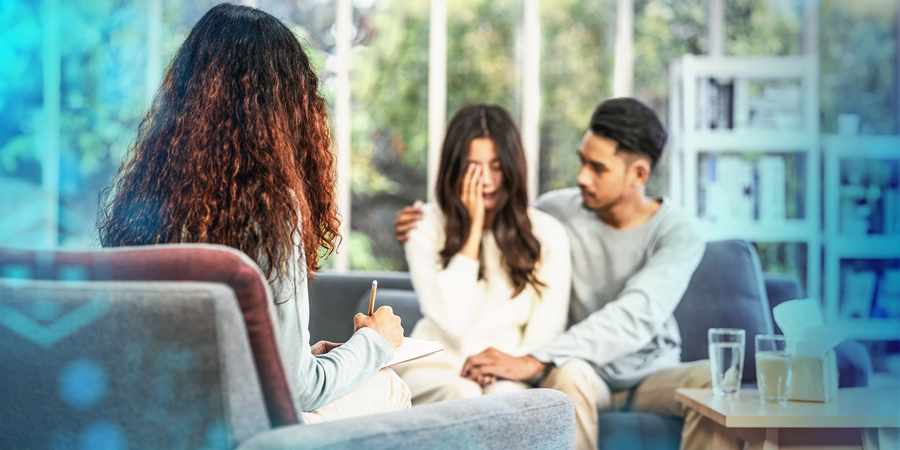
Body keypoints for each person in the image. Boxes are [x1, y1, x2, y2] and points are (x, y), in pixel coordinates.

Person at [98, 3, 409, 424]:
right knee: (390, 385)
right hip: (244, 427)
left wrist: (305, 355)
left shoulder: (142, 197)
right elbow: (303, 389)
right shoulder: (271, 209)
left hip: (157, 419)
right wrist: (375, 342)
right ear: (290, 107)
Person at [396, 98, 717, 450]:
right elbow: (507, 217)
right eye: (582, 161)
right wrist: (426, 219)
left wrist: (531, 360)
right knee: (571, 374)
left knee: (716, 381)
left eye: (598, 168)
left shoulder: (677, 232)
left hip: (650, 372)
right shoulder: (557, 211)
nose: (581, 177)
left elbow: (634, 315)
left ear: (638, 174)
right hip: (579, 368)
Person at [393, 104, 571, 405]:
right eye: (474, 166)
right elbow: (450, 319)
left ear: (512, 168)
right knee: (463, 393)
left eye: (497, 166)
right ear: (455, 167)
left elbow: (545, 333)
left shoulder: (547, 232)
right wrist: (473, 229)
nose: (486, 180)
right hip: (436, 366)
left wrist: (508, 368)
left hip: (508, 370)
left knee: (503, 400)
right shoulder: (422, 225)